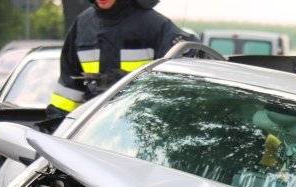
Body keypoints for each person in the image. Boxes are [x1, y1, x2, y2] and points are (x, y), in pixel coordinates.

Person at [48, 0, 193, 117]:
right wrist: (56, 128)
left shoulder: (153, 24)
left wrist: (129, 83)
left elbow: (185, 66)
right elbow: (68, 90)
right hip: (92, 131)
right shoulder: (82, 25)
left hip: (138, 128)